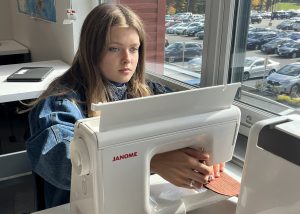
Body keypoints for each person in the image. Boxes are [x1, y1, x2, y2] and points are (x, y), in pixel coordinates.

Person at [25, 3, 223, 210]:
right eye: (114, 49)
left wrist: (210, 149)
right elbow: (63, 163)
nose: (127, 59)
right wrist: (151, 162)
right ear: (91, 50)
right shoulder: (61, 101)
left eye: (134, 49)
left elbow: (193, 111)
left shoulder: (145, 90)